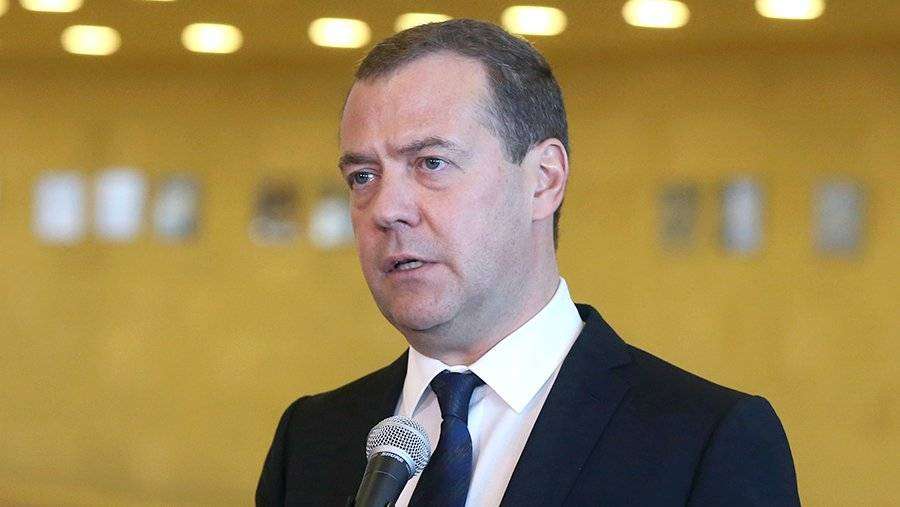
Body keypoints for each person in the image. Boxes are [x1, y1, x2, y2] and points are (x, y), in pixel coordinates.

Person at [256, 19, 800, 506]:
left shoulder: (706, 442)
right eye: (363, 176)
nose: (386, 210)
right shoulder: (310, 441)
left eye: (431, 163)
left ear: (543, 180)